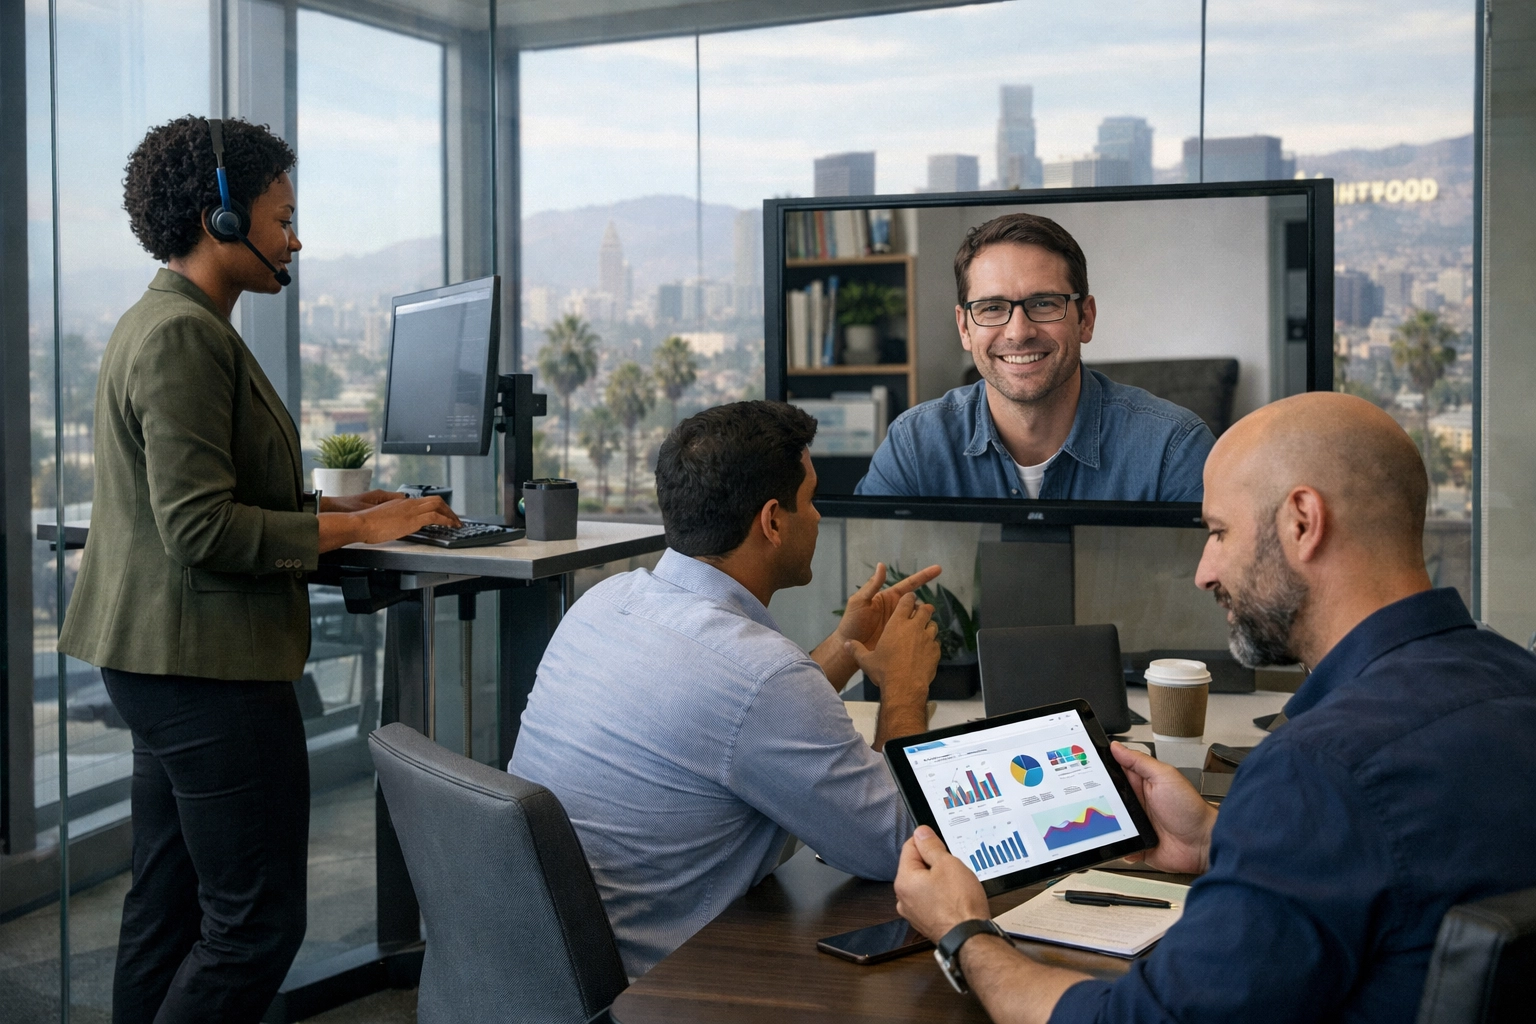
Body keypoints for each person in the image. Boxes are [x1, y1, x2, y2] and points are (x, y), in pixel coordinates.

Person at [892, 391, 1536, 1024]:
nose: (1204, 571)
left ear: (1302, 523)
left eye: (1220, 532)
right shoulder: (1517, 682)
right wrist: (1215, 839)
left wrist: (964, 933)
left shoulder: (1318, 770)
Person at [57, 116, 459, 1024]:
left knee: (168, 905)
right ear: (222, 220)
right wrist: (364, 530)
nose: (296, 238)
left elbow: (212, 496)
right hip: (206, 669)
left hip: (163, 661)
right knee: (255, 925)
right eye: (282, 217)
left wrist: (351, 510)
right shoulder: (182, 338)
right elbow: (200, 526)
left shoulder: (165, 321)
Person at [510, 400, 943, 977]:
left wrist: (847, 643)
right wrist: (905, 692)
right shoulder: (760, 675)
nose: (817, 518)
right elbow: (904, 848)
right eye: (810, 501)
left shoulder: (605, 601)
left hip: (549, 966)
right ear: (772, 521)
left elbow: (740, 714)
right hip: (666, 990)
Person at [856, 212, 1213, 501]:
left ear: (1085, 319)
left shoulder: (1174, 447)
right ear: (964, 328)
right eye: (992, 307)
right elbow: (869, 579)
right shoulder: (914, 446)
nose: (1018, 331)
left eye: (1043, 303)